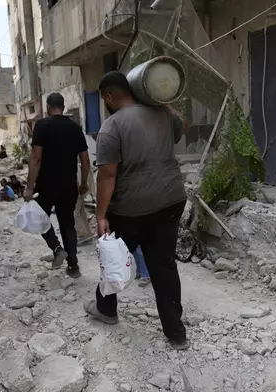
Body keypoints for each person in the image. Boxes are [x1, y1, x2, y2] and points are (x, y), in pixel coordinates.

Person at [83, 71, 189, 350]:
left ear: (108, 96)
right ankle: (176, 333)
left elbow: (107, 174)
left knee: (114, 257)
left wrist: (102, 215)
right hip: (170, 201)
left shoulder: (112, 125)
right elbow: (182, 125)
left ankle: (106, 310)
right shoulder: (164, 115)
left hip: (131, 209)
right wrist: (162, 100)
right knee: (163, 265)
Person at [23, 92, 90, 279]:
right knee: (67, 224)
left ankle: (56, 248)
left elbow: (36, 157)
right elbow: (84, 160)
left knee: (40, 217)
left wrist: (29, 187)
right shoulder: (75, 128)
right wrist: (83, 183)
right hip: (69, 185)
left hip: (46, 184)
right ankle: (74, 266)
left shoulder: (42, 125)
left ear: (48, 106)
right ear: (64, 106)